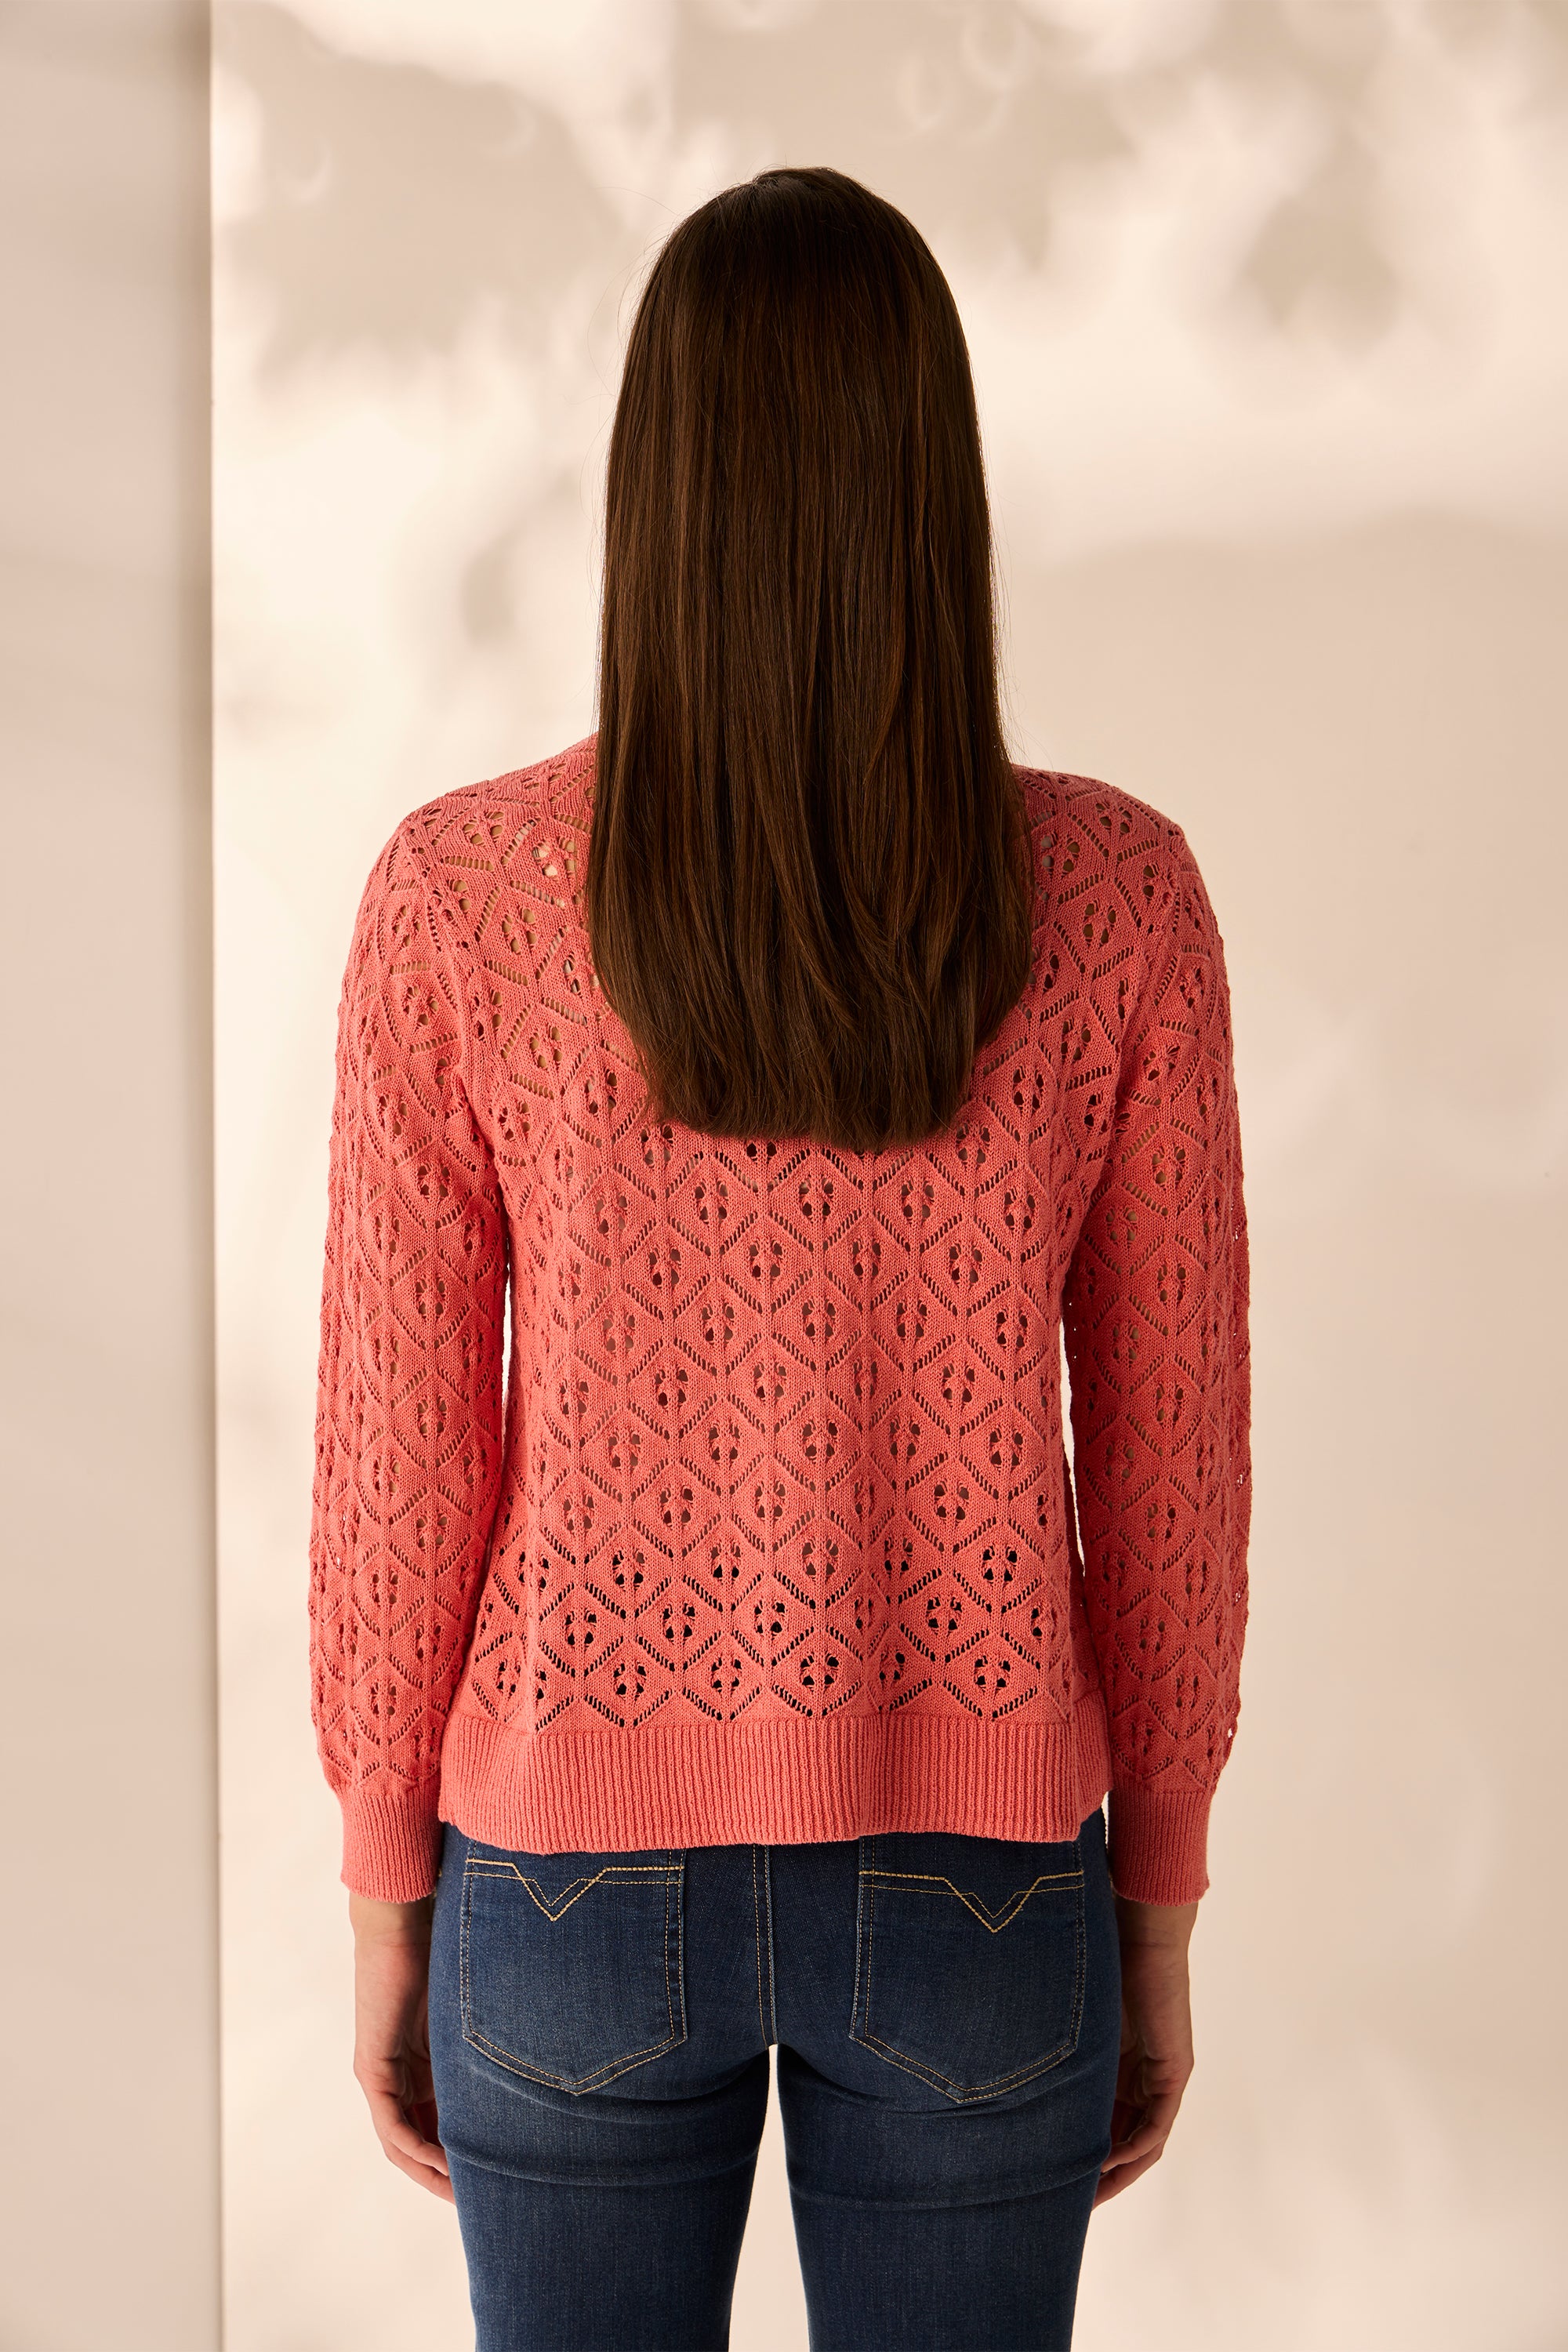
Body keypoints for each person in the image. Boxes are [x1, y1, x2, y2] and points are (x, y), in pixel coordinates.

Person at [309, 165, 1252, 2352]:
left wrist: (384, 1895)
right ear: (935, 492)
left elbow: (396, 1463)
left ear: (654, 493)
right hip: (986, 1891)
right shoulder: (1119, 899)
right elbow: (1175, 1461)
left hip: (558, 1885)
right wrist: (1160, 1903)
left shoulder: (461, 897)